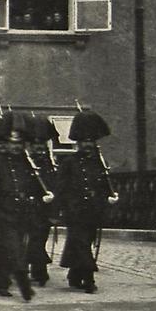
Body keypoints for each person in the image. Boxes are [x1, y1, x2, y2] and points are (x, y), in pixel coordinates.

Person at [0, 111, 51, 300]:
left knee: (6, 251)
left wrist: (44, 195)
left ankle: (0, 283)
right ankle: (24, 286)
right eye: (12, 144)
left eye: (19, 144)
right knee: (13, 249)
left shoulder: (27, 164)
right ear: (5, 144)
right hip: (0, 215)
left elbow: (34, 185)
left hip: (22, 213)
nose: (15, 148)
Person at [57, 110, 118, 294]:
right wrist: (57, 210)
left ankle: (74, 274)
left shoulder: (98, 162)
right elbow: (61, 187)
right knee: (81, 242)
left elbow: (103, 183)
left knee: (84, 242)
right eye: (84, 142)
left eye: (91, 141)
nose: (88, 145)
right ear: (77, 143)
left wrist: (110, 195)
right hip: (74, 210)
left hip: (93, 210)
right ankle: (89, 278)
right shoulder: (69, 162)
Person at [24, 115, 60, 286]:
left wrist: (54, 212)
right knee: (26, 240)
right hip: (25, 208)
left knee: (39, 240)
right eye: (34, 145)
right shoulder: (23, 164)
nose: (38, 149)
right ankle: (29, 269)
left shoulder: (50, 166)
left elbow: (56, 189)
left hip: (43, 210)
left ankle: (39, 270)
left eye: (41, 145)